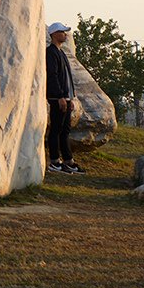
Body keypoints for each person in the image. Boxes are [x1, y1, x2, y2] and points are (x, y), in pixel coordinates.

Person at [46, 22, 85, 174]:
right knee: (56, 129)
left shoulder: (61, 52)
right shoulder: (51, 52)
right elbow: (52, 76)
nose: (65, 34)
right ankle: (55, 161)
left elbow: (66, 77)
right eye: (62, 32)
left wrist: (71, 98)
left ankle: (68, 161)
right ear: (54, 34)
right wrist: (60, 96)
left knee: (65, 130)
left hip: (66, 98)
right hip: (58, 98)